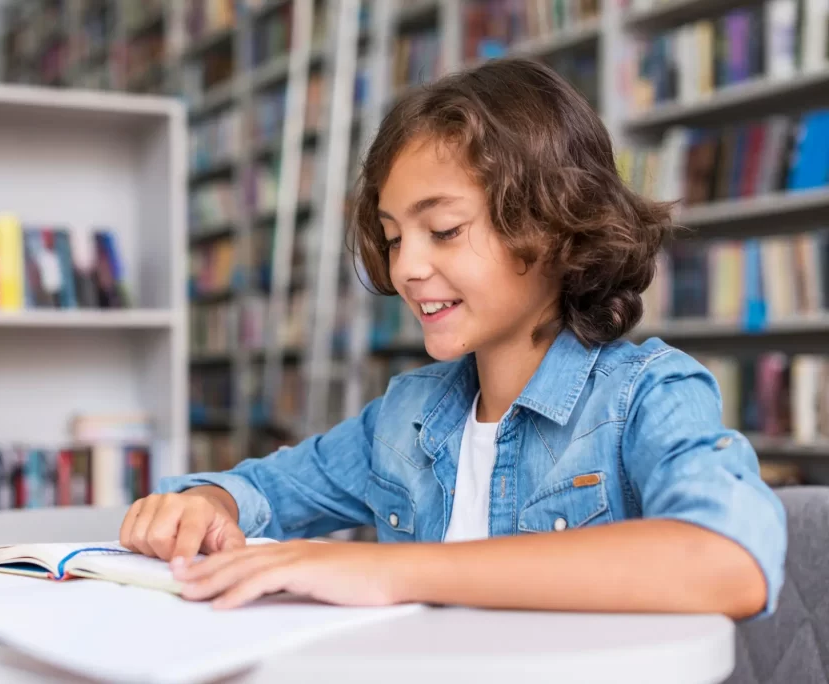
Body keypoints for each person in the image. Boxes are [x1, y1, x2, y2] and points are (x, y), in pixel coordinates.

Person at [120, 58, 787, 617]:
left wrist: (395, 570)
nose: (406, 266)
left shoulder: (646, 396)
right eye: (392, 236)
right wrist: (204, 504)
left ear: (556, 226)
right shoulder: (405, 418)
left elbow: (730, 560)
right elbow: (265, 490)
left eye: (442, 230)